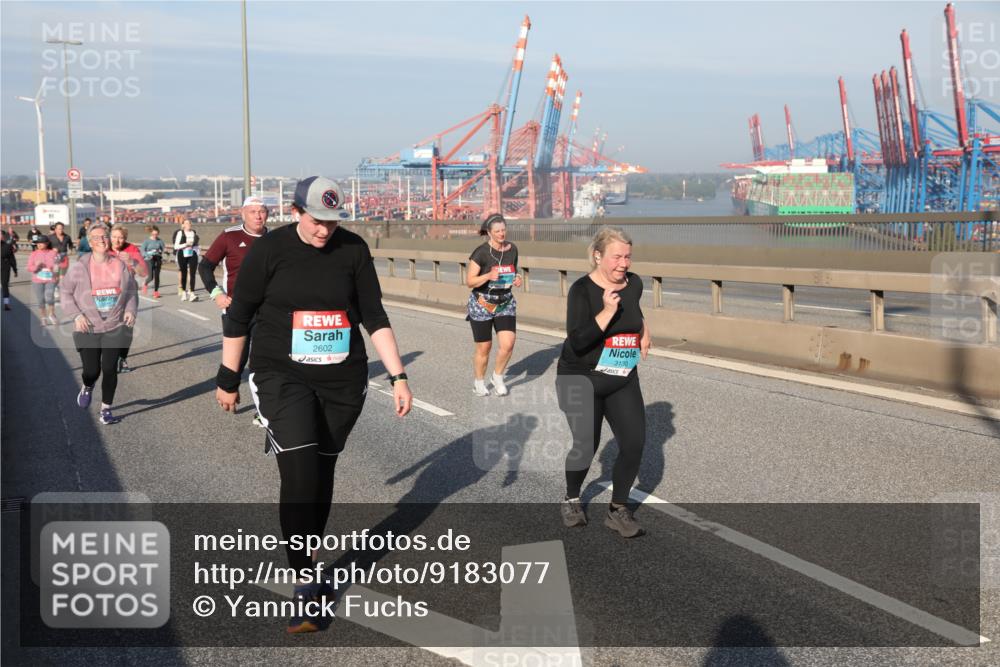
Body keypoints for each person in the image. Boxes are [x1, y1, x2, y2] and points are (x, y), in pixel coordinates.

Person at [215, 176, 413, 633]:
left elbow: (374, 316)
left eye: (332, 221)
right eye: (317, 220)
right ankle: (305, 581)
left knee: (322, 474)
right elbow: (239, 315)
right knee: (301, 471)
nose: (325, 230)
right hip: (281, 374)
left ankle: (308, 554)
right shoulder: (270, 251)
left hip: (342, 382)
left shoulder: (353, 250)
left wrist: (399, 376)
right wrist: (229, 378)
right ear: (296, 211)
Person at [556, 227, 651, 538]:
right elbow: (578, 340)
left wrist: (644, 331)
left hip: (621, 374)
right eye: (616, 257)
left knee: (634, 443)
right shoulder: (582, 290)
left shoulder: (634, 283)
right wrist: (608, 311)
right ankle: (572, 498)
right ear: (598, 256)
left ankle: (618, 509)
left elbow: (635, 311)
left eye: (627, 256)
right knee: (586, 446)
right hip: (580, 376)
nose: (623, 263)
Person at [199, 195, 268, 425]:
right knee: (238, 360)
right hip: (236, 310)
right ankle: (230, 384)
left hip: (266, 312)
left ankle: (263, 410)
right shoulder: (230, 236)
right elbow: (205, 266)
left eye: (262, 211)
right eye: (253, 211)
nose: (258, 215)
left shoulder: (275, 239)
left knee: (263, 361)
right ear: (243, 213)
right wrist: (216, 293)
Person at [60, 224, 138, 425]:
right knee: (92, 371)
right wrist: (76, 315)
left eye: (105, 236)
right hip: (88, 327)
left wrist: (130, 310)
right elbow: (65, 292)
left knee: (110, 368)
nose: (102, 240)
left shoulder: (119, 265)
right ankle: (87, 386)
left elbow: (130, 291)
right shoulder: (79, 267)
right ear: (89, 242)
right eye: (96, 237)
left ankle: (106, 410)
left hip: (114, 326)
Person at [465, 213, 522, 396]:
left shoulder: (512, 249)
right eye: (497, 231)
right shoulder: (481, 252)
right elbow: (470, 281)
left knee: (508, 344)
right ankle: (479, 382)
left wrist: (517, 278)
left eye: (503, 230)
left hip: (505, 303)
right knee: (485, 347)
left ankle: (497, 377)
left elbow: (514, 271)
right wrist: (488, 276)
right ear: (489, 233)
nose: (501, 234)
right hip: (482, 303)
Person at [109, 224, 148, 374]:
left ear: (125, 238)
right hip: (107, 293)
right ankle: (108, 356)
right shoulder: (104, 249)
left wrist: (133, 262)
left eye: (120, 237)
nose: (117, 240)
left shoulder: (131, 249)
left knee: (127, 327)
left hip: (128, 292)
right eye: (114, 236)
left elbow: (144, 273)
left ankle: (122, 358)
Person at [27, 233, 59, 325]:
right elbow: (29, 267)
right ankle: (43, 317)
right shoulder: (34, 254)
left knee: (50, 298)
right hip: (37, 280)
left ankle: (52, 314)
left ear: (47, 243)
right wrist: (36, 266)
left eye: (42, 242)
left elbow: (57, 265)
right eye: (38, 243)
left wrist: (55, 273)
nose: (39, 244)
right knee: (41, 300)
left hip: (50, 279)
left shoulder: (53, 253)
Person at [171, 219, 200, 301]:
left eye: (190, 223)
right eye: (186, 223)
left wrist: (197, 252)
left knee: (193, 274)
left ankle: (192, 293)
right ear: (183, 225)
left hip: (192, 253)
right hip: (182, 254)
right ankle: (183, 292)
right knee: (184, 273)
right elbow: (176, 246)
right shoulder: (180, 233)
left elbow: (196, 244)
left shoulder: (193, 232)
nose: (189, 224)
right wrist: (185, 244)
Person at [48, 222, 74, 300]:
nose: (60, 230)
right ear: (55, 229)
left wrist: (71, 250)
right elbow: (46, 248)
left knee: (62, 277)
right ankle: (55, 289)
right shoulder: (50, 237)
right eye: (59, 228)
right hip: (54, 259)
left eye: (62, 228)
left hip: (64, 258)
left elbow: (71, 244)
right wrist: (52, 250)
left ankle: (61, 290)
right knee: (56, 276)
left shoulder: (67, 237)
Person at [140, 225, 166, 298]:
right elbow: (142, 251)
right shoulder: (147, 241)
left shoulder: (160, 241)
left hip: (157, 258)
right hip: (149, 259)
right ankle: (145, 283)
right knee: (151, 277)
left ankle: (156, 292)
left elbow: (163, 248)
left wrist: (163, 251)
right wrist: (148, 255)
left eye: (156, 234)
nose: (155, 236)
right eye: (153, 234)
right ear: (151, 233)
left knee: (157, 276)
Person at [1, 230, 16, 311]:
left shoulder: (7, 246)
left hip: (4, 267)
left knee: (4, 285)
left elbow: (12, 258)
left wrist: (15, 269)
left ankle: (6, 303)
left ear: (3, 236)